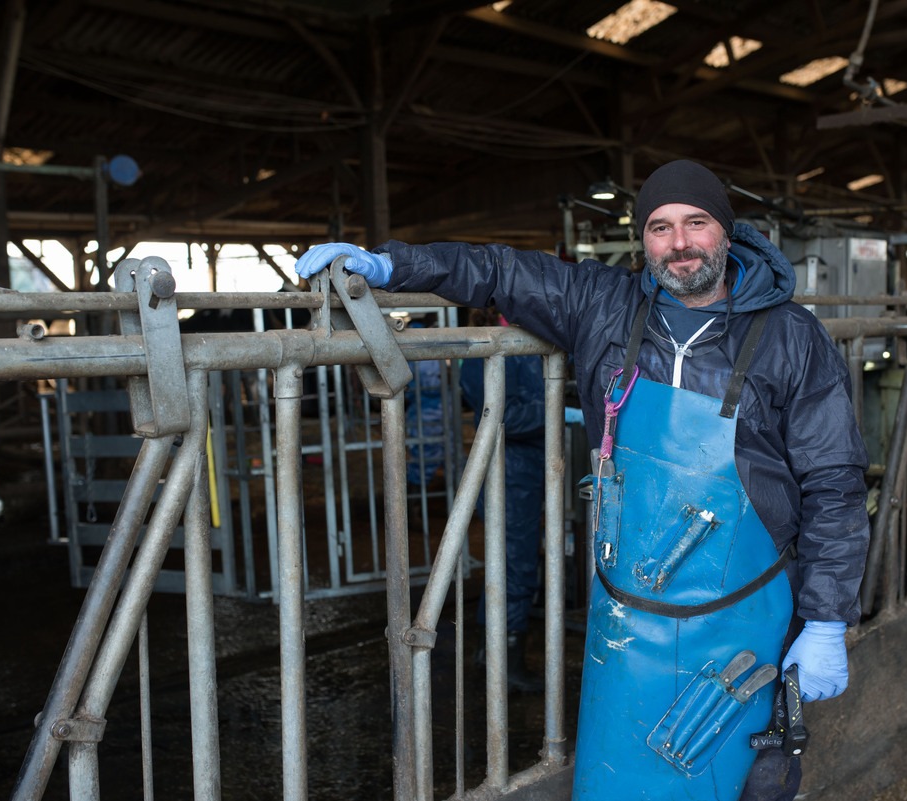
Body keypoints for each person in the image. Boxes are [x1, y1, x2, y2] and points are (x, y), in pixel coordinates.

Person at [294, 159, 870, 801]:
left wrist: (825, 620)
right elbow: (496, 270)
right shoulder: (603, 305)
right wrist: (389, 266)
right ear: (643, 240)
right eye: (659, 227)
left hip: (743, 618)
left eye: (696, 223)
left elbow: (834, 483)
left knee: (740, 780)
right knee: (619, 777)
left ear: (726, 232)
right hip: (628, 617)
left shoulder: (791, 336)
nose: (679, 243)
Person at [460, 306, 546, 693]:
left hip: (523, 468)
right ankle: (505, 662)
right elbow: (503, 414)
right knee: (514, 565)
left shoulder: (524, 338)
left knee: (509, 563)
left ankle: (489, 653)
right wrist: (560, 404)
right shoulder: (487, 346)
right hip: (506, 472)